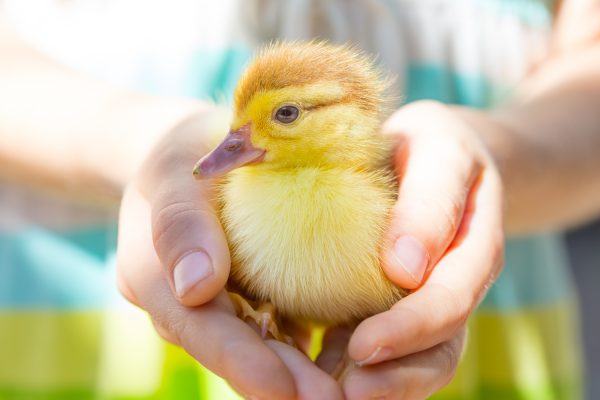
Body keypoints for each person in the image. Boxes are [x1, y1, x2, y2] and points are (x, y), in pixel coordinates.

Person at [1, 0, 599, 399]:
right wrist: (131, 141)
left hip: (486, 305)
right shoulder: (247, 185)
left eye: (284, 116)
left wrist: (499, 156)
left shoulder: (365, 183)